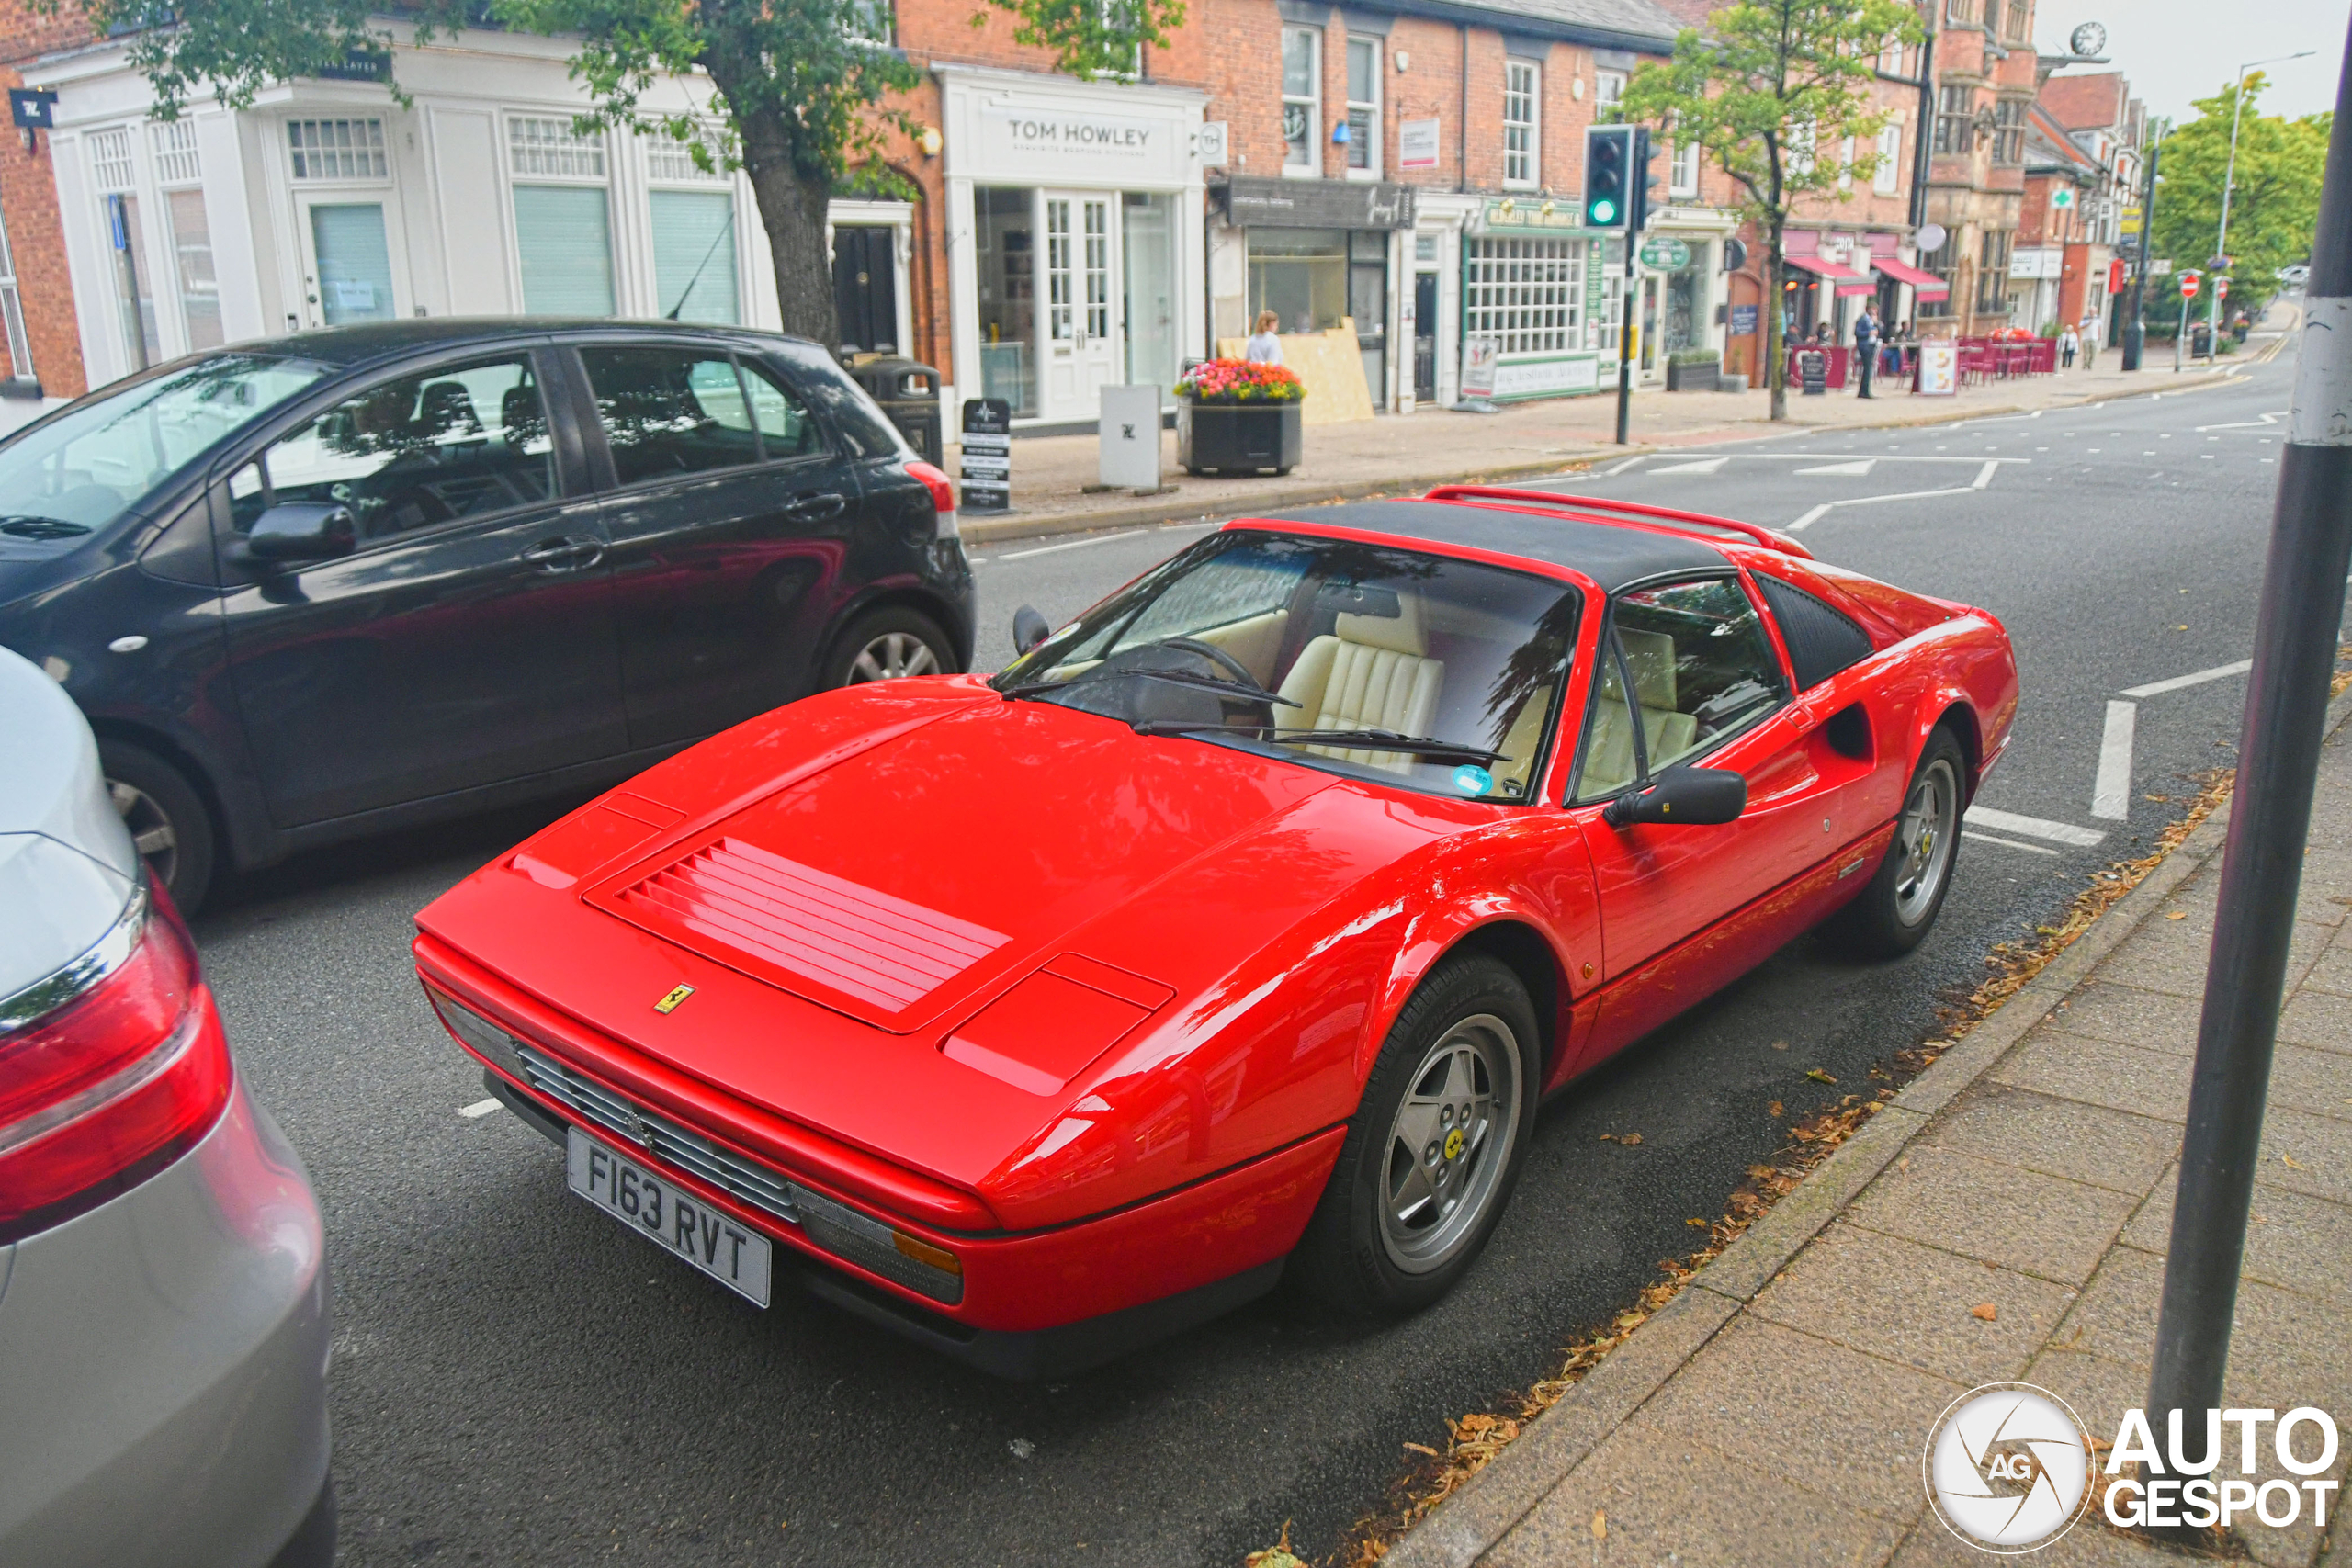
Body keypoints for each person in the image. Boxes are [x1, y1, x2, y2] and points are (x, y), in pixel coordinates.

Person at [1852, 304, 1880, 398]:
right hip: (1865, 346)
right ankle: (1865, 391)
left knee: (1868, 368)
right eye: (1874, 309)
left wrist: (1876, 323)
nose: (1875, 311)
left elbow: (1880, 330)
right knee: (1868, 368)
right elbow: (1857, 332)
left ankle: (1863, 391)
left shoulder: (1871, 320)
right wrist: (1868, 333)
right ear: (1869, 309)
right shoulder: (1863, 319)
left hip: (1871, 345)